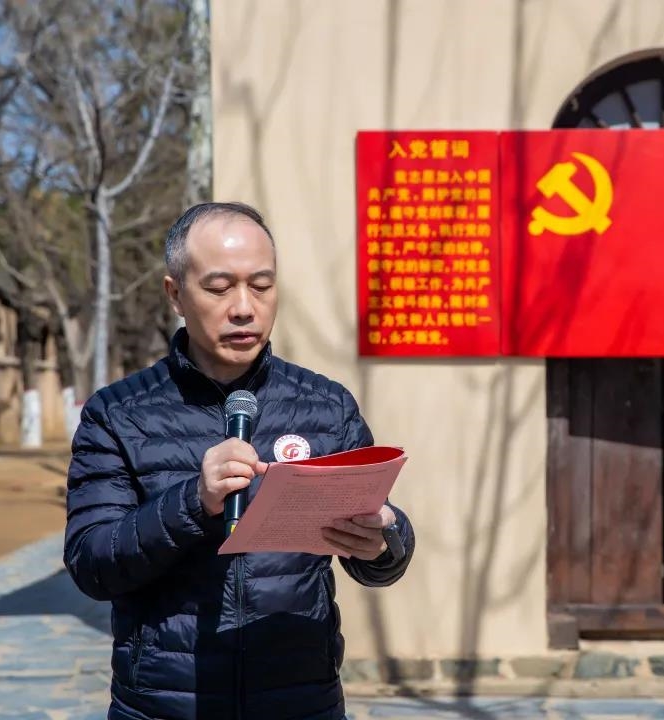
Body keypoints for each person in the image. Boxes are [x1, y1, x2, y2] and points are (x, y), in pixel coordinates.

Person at [63, 202, 415, 720]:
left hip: (300, 701)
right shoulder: (118, 413)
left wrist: (384, 540)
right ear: (175, 294)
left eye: (262, 286)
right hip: (166, 704)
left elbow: (379, 554)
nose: (245, 308)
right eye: (219, 288)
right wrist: (192, 501)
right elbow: (92, 564)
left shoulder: (326, 406)